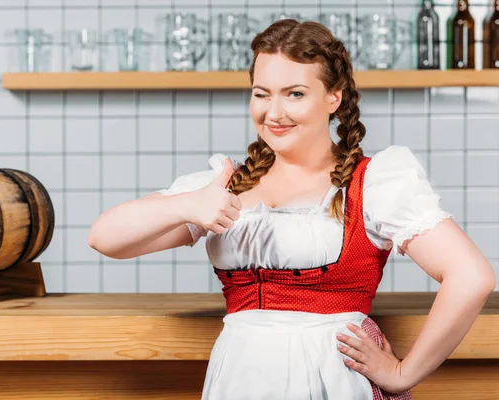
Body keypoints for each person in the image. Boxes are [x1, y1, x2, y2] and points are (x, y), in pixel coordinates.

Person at [88, 19, 496, 400]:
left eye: (295, 94)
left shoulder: (374, 183)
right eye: (261, 94)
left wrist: (405, 373)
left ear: (333, 97)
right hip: (238, 374)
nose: (273, 113)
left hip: (331, 378)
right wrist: (187, 205)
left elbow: (470, 275)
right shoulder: (224, 184)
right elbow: (106, 238)